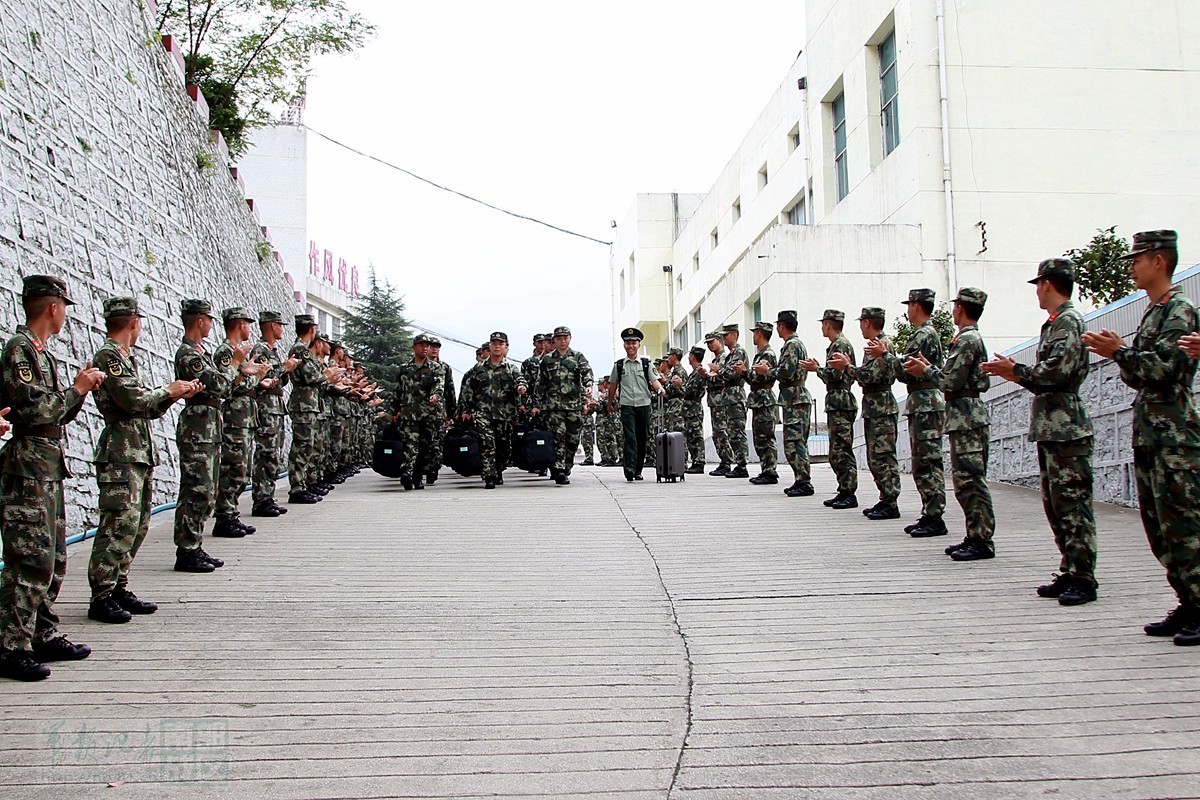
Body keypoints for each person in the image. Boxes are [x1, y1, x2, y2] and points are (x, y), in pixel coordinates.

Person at [1083, 230, 1200, 640]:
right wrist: (1127, 358)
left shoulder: (1179, 310)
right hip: (1151, 430)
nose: (1132, 266)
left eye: (1138, 259)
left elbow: (1166, 369)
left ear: (1159, 261)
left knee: (1184, 523)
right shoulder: (1154, 311)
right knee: (1159, 526)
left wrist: (1120, 353)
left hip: (1175, 435)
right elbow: (1138, 375)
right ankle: (1188, 602)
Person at [0, 276, 104, 681]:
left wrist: (77, 392)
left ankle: (41, 631)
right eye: (63, 307)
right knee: (30, 558)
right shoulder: (20, 350)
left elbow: (57, 413)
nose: (64, 316)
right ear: (53, 307)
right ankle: (11, 645)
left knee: (54, 557)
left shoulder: (43, 356)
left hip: (46, 466)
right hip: (27, 468)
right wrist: (77, 389)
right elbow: (34, 412)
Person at [986, 259, 1098, 603]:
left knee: (1073, 504)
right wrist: (1016, 373)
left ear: (1049, 284)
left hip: (1066, 427)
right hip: (1052, 425)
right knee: (1055, 503)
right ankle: (1069, 568)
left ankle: (1084, 576)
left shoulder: (1068, 322)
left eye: (1038, 284)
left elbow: (1056, 372)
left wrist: (1014, 370)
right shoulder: (1052, 324)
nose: (1036, 291)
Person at [87, 297, 201, 624]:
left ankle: (118, 584)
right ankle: (102, 594)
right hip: (121, 451)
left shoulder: (124, 357)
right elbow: (133, 400)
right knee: (118, 523)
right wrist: (169, 390)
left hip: (136, 450)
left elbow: (146, 408)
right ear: (134, 322)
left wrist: (172, 395)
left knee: (136, 524)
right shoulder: (109, 356)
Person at [908, 288, 995, 556]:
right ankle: (974, 535)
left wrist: (926, 370)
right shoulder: (965, 338)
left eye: (956, 305)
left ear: (960, 308)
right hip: (963, 415)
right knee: (964, 480)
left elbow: (950, 380)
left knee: (971, 481)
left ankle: (981, 539)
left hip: (967, 416)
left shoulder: (968, 340)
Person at [866, 288, 947, 536]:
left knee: (928, 461)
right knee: (921, 461)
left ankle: (935, 515)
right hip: (920, 401)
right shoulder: (922, 334)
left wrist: (885, 355)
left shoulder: (924, 334)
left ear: (917, 306)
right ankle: (929, 513)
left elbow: (904, 369)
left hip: (925, 401)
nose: (907, 309)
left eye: (910, 304)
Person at [173, 299, 237, 573]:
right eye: (209, 319)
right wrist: (235, 365)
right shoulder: (189, 355)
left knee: (207, 490)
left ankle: (194, 545)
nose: (211, 324)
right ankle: (186, 550)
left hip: (209, 425)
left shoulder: (201, 352)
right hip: (198, 428)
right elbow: (220, 383)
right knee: (196, 489)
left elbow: (220, 386)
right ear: (199, 320)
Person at [830, 307, 900, 520]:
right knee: (875, 456)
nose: (860, 326)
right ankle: (885, 498)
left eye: (862, 322)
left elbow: (870, 376)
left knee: (883, 456)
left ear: (868, 323)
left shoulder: (882, 345)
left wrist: (847, 367)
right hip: (874, 406)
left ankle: (891, 501)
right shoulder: (875, 345)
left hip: (882, 407)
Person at [213, 308, 268, 537]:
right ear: (238, 324)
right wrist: (257, 377)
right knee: (232, 468)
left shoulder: (239, 353)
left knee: (240, 469)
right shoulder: (226, 353)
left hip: (244, 419)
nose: (249, 327)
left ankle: (231, 513)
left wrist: (254, 374)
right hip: (234, 420)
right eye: (247, 323)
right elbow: (230, 386)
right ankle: (224, 516)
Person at [458, 332, 527, 489]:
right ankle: (489, 475)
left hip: (505, 414)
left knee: (504, 445)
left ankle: (499, 469)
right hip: (483, 414)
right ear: (489, 346)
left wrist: (521, 387)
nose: (497, 346)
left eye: (500, 343)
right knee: (487, 443)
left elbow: (520, 381)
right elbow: (468, 390)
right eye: (494, 343)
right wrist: (466, 409)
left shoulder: (511, 369)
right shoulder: (479, 369)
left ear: (506, 347)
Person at [804, 310, 858, 508]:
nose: (821, 328)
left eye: (823, 324)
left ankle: (849, 492)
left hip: (841, 402)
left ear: (828, 324)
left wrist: (816, 369)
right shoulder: (837, 344)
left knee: (842, 449)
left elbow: (834, 375)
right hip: (837, 401)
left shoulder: (840, 345)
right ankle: (843, 490)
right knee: (837, 450)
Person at [761, 310, 814, 497]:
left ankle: (804, 481)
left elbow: (787, 371)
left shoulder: (792, 345)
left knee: (795, 442)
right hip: (794, 398)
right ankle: (800, 479)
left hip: (795, 398)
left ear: (782, 326)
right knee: (795, 441)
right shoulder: (794, 344)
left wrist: (767, 371)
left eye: (778, 326)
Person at [250, 311, 297, 517]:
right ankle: (261, 499)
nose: (281, 329)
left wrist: (284, 371)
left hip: (275, 405)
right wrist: (283, 369)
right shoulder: (261, 350)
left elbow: (280, 381)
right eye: (279, 325)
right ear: (270, 326)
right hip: (266, 406)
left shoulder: (272, 350)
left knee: (274, 453)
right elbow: (264, 377)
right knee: (266, 453)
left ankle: (267, 496)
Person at [287, 315, 339, 504]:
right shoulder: (300, 349)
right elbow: (311, 376)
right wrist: (327, 375)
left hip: (309, 404)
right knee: (302, 446)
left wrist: (325, 377)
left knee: (309, 445)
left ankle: (305, 484)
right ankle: (298, 487)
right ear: (312, 330)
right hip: (303, 404)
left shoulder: (302, 349)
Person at [608, 327, 665, 482]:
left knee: (641, 438)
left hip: (643, 405)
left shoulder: (646, 363)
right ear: (624, 345)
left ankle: (638, 469)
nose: (631, 346)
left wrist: (660, 389)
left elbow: (654, 381)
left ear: (638, 345)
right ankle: (629, 469)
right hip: (626, 405)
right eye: (628, 343)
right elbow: (612, 385)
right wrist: (609, 403)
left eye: (634, 343)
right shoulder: (619, 365)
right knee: (630, 438)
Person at [737, 321, 779, 484]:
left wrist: (744, 372)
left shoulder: (767, 354)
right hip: (758, 400)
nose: (753, 336)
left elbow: (759, 377)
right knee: (759, 437)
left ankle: (770, 471)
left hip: (764, 400)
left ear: (760, 334)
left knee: (766, 437)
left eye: (755, 333)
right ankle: (766, 469)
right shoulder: (761, 354)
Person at [426, 337, 454, 483]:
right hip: (418, 411)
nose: (434, 349)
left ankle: (433, 468)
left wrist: (451, 412)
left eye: (437, 346)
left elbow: (450, 391)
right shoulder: (417, 366)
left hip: (438, 411)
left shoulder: (444, 367)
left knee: (436, 442)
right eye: (431, 346)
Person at [680, 346, 709, 474]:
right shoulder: (694, 372)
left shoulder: (699, 372)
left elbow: (690, 391)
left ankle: (699, 462)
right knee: (690, 436)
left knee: (696, 436)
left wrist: (680, 385)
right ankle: (696, 461)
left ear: (692, 356)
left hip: (694, 409)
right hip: (689, 409)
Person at [703, 332, 728, 474]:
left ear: (719, 341)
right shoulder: (716, 360)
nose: (709, 345)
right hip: (714, 400)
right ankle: (724, 461)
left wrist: (712, 375)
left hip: (720, 400)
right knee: (717, 432)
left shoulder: (724, 358)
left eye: (711, 342)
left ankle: (727, 462)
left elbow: (723, 378)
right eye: (707, 343)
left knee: (722, 431)